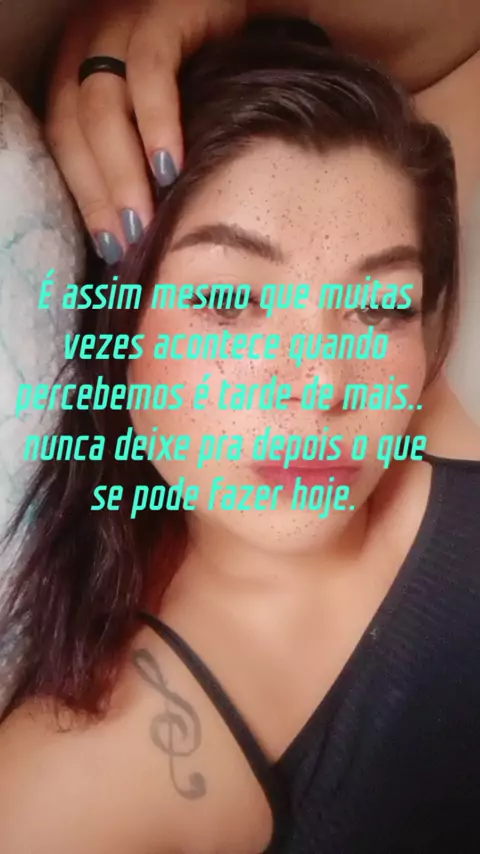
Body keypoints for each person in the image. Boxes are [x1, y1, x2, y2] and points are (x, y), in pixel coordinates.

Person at [0, 17, 480, 853]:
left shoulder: (424, 419)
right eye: (228, 302)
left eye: (380, 307)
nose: (323, 386)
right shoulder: (86, 777)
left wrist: (190, 11)